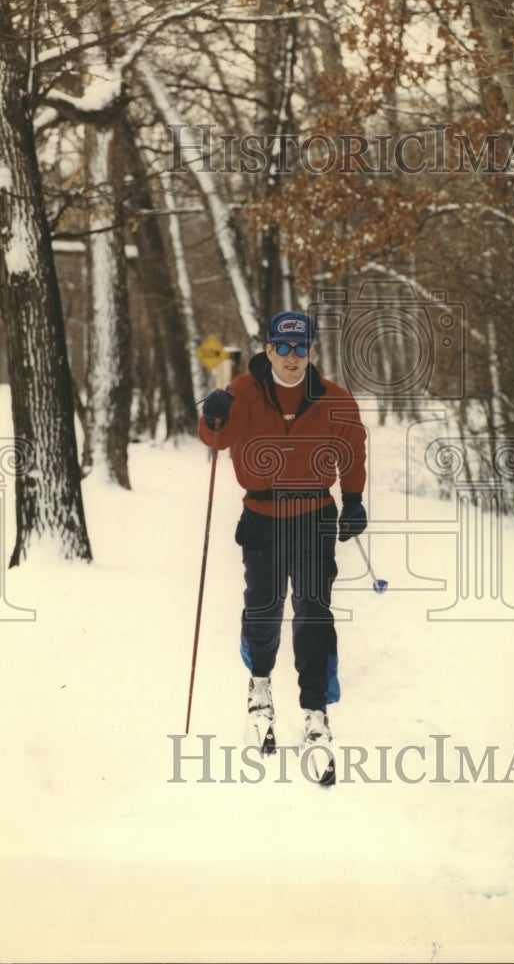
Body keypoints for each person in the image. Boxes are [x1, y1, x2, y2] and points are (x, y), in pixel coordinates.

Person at [198, 311, 367, 771]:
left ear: (312, 351)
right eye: (284, 348)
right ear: (268, 349)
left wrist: (353, 501)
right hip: (262, 516)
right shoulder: (243, 393)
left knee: (313, 610)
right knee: (264, 605)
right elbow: (218, 437)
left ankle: (315, 708)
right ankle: (259, 682)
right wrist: (213, 414)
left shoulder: (334, 398)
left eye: (302, 349)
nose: (293, 359)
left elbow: (352, 450)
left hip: (314, 514)